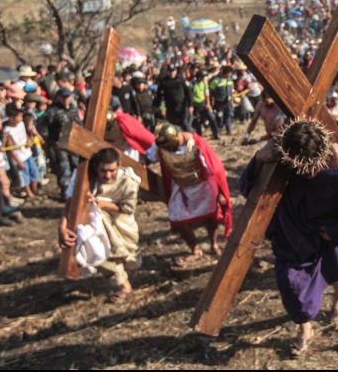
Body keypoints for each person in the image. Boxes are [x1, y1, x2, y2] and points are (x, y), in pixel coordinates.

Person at [239, 119, 338, 356]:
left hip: (328, 223)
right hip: (292, 226)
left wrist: (336, 230)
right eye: (302, 168)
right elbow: (250, 184)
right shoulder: (280, 151)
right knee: (289, 280)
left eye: (313, 166)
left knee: (336, 265)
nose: (309, 172)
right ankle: (305, 327)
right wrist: (260, 157)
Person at [58, 148, 141, 303]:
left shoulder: (127, 181)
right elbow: (71, 201)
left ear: (119, 166)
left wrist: (102, 203)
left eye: (112, 171)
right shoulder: (86, 176)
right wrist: (62, 227)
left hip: (122, 225)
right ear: (97, 167)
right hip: (98, 226)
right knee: (103, 255)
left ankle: (131, 270)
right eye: (103, 171)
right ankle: (123, 285)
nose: (107, 176)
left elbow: (128, 208)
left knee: (128, 256)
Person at [146, 123, 232, 265]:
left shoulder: (196, 144)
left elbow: (215, 168)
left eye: (169, 145)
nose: (167, 148)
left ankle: (213, 244)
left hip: (203, 185)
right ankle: (195, 249)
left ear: (177, 136)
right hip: (180, 187)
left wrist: (221, 192)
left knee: (211, 217)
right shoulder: (160, 145)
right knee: (177, 219)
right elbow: (148, 158)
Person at [41, 88, 80, 200]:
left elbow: (79, 123)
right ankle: (65, 192)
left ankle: (76, 189)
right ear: (58, 98)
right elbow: (43, 126)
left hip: (73, 141)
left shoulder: (73, 109)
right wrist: (49, 139)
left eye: (68, 97)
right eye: (64, 97)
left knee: (76, 164)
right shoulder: (52, 111)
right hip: (58, 143)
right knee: (63, 166)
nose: (66, 99)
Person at [3, 104, 39, 200]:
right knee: (24, 176)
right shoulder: (7, 131)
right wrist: (18, 161)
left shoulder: (21, 124)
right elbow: (10, 149)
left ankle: (35, 191)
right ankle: (29, 193)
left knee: (34, 172)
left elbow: (25, 135)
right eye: (19, 116)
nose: (21, 118)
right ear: (11, 118)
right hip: (19, 157)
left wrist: (28, 140)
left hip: (28, 153)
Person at [154, 64, 193, 131]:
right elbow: (159, 95)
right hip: (170, 107)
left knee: (185, 124)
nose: (172, 73)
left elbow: (188, 92)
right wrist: (157, 105)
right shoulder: (164, 81)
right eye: (170, 71)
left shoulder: (181, 80)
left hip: (181, 106)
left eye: (173, 71)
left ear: (176, 71)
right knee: (173, 126)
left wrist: (190, 105)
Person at [191, 70, 219, 140]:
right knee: (198, 121)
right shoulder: (193, 84)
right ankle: (200, 136)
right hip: (195, 105)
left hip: (203, 103)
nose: (205, 78)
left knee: (212, 118)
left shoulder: (204, 84)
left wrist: (208, 103)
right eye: (204, 77)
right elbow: (190, 96)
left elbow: (207, 94)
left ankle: (216, 134)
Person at [210, 66, 235, 136]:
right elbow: (211, 91)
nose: (230, 74)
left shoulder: (230, 80)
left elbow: (231, 90)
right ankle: (218, 131)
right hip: (219, 103)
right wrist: (212, 101)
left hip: (228, 102)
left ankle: (229, 129)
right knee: (219, 117)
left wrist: (232, 99)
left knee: (228, 115)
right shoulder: (216, 81)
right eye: (229, 73)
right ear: (226, 72)